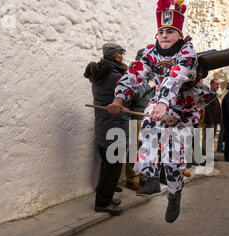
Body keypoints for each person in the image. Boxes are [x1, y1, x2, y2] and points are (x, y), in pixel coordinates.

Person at [107, 0, 211, 223]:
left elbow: (177, 75)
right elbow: (135, 74)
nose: (164, 35)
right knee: (149, 132)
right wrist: (119, 97)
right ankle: (152, 177)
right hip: (159, 102)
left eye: (170, 31)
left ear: (179, 34)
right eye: (161, 31)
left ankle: (175, 194)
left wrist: (164, 102)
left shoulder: (187, 52)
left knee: (174, 157)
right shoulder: (150, 52)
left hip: (184, 105)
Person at [84, 43, 128, 215]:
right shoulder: (116, 76)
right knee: (113, 167)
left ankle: (107, 197)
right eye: (121, 54)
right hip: (115, 126)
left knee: (107, 165)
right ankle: (102, 203)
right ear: (116, 56)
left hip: (103, 125)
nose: (123, 57)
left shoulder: (99, 73)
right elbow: (133, 94)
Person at [125, 49, 156, 191]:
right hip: (136, 114)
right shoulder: (134, 73)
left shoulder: (151, 74)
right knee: (134, 148)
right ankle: (131, 179)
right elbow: (135, 95)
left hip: (148, 116)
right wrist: (150, 85)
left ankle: (144, 177)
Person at [202, 79, 222, 160]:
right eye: (216, 84)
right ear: (211, 84)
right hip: (210, 120)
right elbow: (207, 108)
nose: (218, 86)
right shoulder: (209, 94)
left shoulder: (214, 94)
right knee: (207, 138)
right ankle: (204, 156)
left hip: (214, 120)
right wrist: (209, 120)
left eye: (218, 84)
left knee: (211, 138)